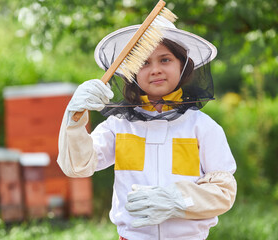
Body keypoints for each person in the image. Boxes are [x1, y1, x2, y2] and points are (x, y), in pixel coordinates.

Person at [57, 15, 237, 240]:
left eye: (165, 60)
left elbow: (223, 191)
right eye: (144, 62)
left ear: (183, 65)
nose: (155, 70)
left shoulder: (203, 127)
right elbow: (78, 165)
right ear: (131, 72)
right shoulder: (118, 126)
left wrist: (177, 198)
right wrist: (74, 120)